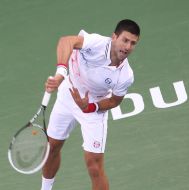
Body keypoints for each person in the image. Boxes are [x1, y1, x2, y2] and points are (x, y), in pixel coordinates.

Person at [41, 19, 140, 190]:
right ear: (114, 37)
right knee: (52, 148)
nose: (128, 47)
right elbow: (66, 41)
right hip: (68, 93)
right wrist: (61, 73)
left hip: (93, 107)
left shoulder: (126, 75)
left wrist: (90, 107)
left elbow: (114, 101)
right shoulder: (96, 43)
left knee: (94, 165)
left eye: (133, 43)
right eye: (125, 40)